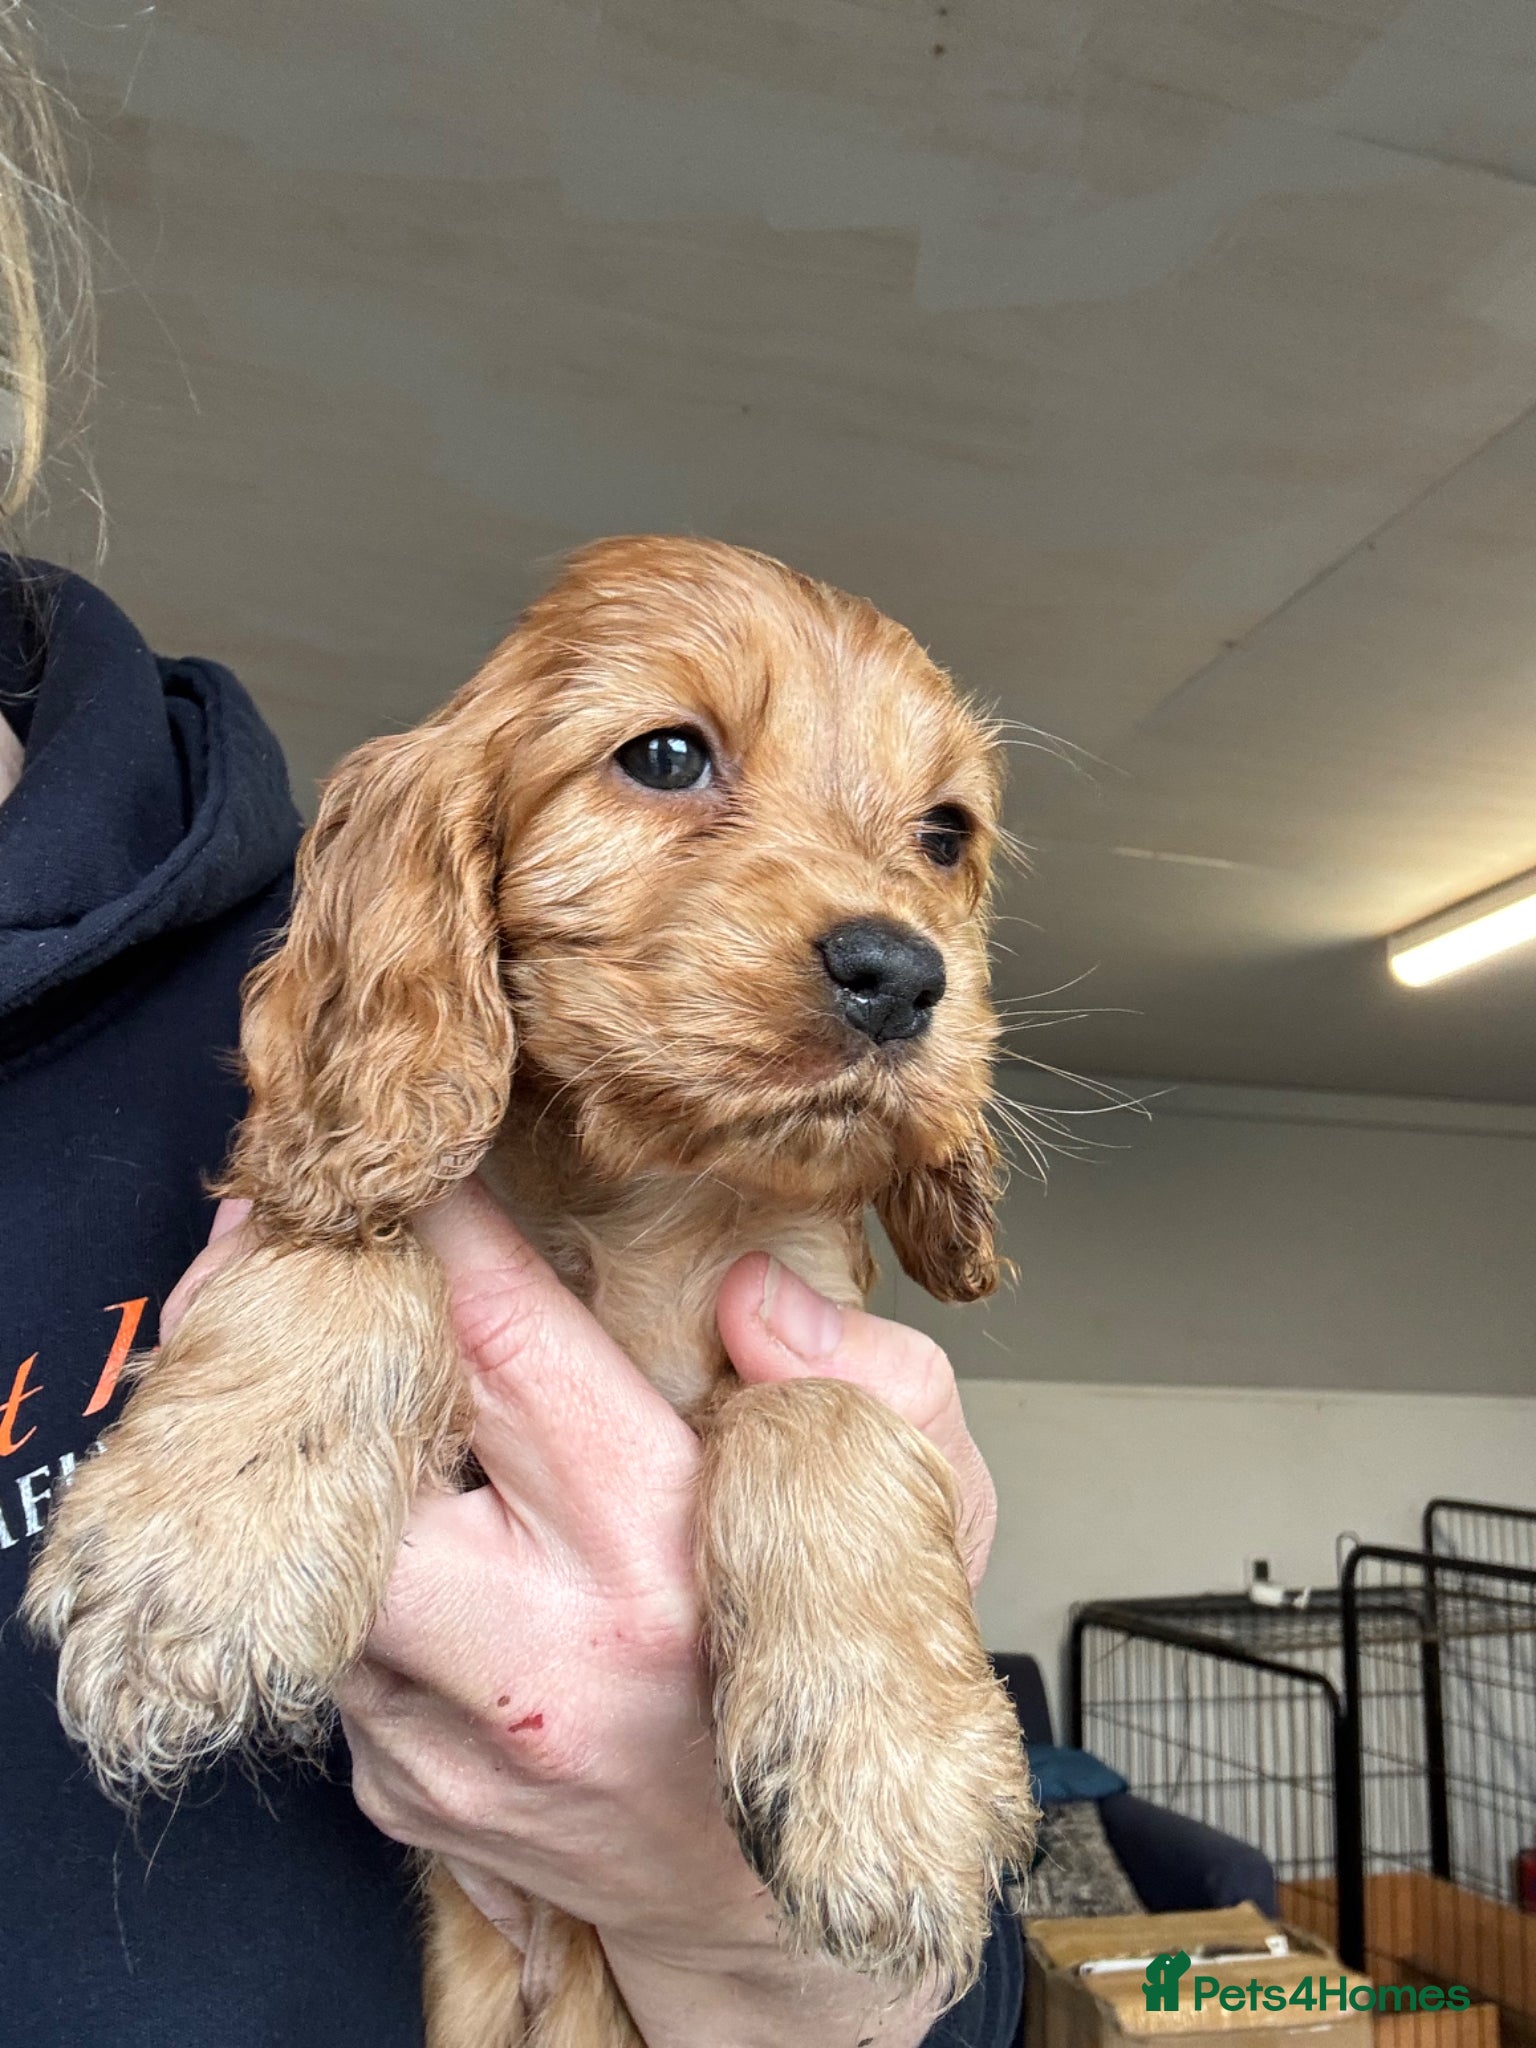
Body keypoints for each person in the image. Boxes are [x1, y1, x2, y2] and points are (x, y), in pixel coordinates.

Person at [0, 24, 1023, 2048]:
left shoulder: (258, 970)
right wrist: (333, 1287)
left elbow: (933, 2000)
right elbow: (354, 1193)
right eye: (670, 759)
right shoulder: (377, 1028)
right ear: (438, 852)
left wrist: (767, 1950)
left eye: (942, 837)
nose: (886, 924)